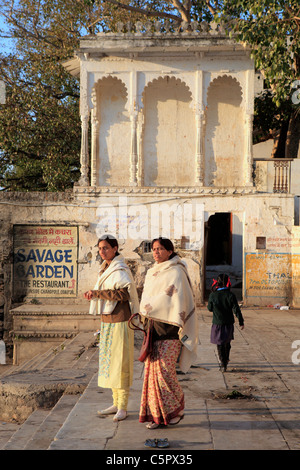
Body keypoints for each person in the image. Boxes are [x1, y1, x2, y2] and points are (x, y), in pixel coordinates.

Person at [138, 237, 198, 429]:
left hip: (170, 330)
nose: (156, 252)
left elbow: (172, 298)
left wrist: (149, 308)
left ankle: (176, 407)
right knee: (151, 375)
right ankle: (156, 416)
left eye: (160, 249)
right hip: (153, 329)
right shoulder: (152, 272)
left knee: (165, 372)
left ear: (170, 251)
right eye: (154, 249)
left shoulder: (176, 271)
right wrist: (146, 312)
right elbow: (147, 297)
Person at [84, 235, 139, 422]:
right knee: (109, 364)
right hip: (107, 322)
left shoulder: (120, 268)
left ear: (115, 248)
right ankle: (115, 402)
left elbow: (123, 294)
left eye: (106, 248)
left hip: (120, 322)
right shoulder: (105, 268)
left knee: (120, 364)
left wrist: (97, 293)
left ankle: (123, 406)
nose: (102, 251)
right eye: (100, 248)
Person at [207, 273, 244, 372]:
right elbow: (236, 310)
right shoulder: (231, 295)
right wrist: (241, 321)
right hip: (228, 323)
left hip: (217, 323)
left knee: (219, 344)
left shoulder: (213, 295)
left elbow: (209, 309)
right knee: (227, 343)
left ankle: (222, 363)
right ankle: (226, 360)